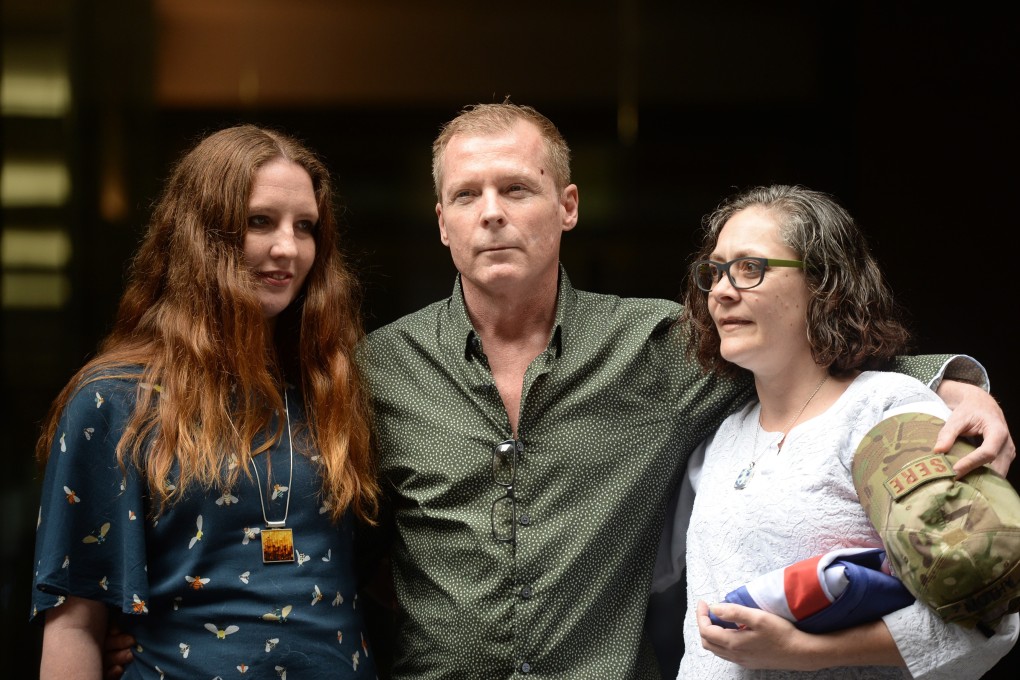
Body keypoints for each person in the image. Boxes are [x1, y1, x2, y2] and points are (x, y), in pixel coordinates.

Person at [99, 103, 1016, 679]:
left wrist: (949, 387)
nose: (492, 211)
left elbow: (805, 354)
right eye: (468, 196)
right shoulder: (372, 370)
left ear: (567, 207)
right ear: (442, 224)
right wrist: (168, 630)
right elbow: (308, 517)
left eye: (517, 188)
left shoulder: (659, 345)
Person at [31, 124, 381, 679]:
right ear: (202, 235)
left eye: (306, 226)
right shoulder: (115, 400)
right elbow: (74, 624)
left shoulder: (334, 385)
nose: (288, 247)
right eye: (259, 221)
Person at [650, 184, 1018, 678]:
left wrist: (804, 652)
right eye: (714, 271)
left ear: (823, 283)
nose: (720, 290)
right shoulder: (719, 439)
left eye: (749, 268)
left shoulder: (884, 411)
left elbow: (991, 618)